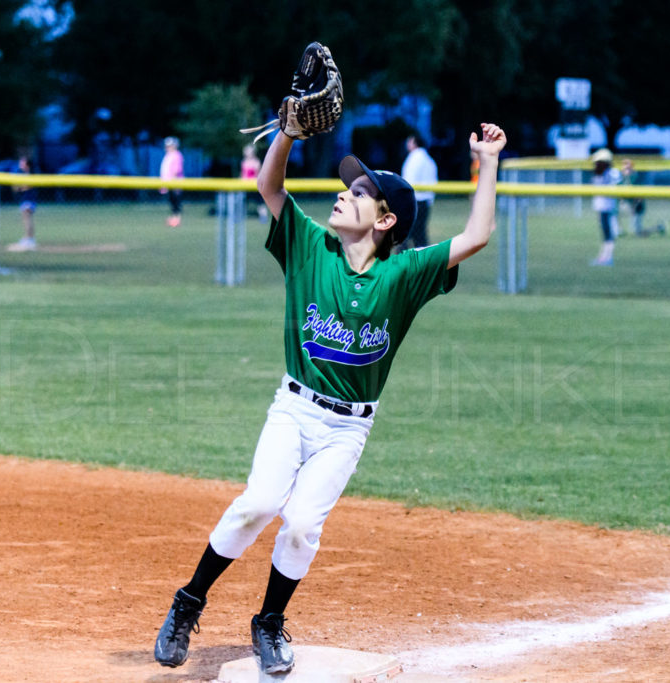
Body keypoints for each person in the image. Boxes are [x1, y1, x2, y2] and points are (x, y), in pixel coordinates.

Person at [153, 121, 506, 675]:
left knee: (301, 524)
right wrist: (288, 135)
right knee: (259, 503)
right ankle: (187, 603)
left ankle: (268, 623)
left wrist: (487, 161)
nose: (345, 193)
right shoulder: (311, 246)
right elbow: (271, 187)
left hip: (347, 429)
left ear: (386, 221)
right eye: (348, 186)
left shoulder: (406, 273)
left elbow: (477, 235)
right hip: (294, 409)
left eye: (361, 192)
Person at [398, 134, 438, 251]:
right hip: (425, 202)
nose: (407, 144)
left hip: (414, 201)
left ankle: (400, 261)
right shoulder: (428, 159)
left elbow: (408, 179)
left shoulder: (414, 158)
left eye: (409, 142)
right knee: (420, 235)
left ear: (415, 143)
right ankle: (424, 260)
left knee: (403, 233)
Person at [590, 148, 621, 266]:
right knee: (605, 233)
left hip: (607, 207)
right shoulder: (599, 174)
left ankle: (607, 257)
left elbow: (615, 187)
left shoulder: (611, 173)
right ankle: (604, 256)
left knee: (608, 233)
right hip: (601, 207)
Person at [620, 159, 665, 238]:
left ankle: (658, 228)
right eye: (624, 167)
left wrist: (634, 206)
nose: (625, 170)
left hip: (637, 207)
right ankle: (617, 230)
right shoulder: (624, 179)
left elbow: (639, 197)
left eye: (628, 168)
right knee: (615, 212)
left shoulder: (635, 178)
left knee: (637, 232)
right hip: (630, 205)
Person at [7, 155, 38, 252]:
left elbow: (27, 187)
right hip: (24, 199)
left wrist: (19, 186)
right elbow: (16, 189)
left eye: (22, 162)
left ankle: (29, 239)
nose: (20, 164)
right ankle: (28, 238)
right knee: (26, 219)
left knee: (27, 219)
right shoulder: (22, 174)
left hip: (29, 200)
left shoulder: (30, 174)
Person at [160, 136, 184, 227]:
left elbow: (176, 170)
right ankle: (174, 218)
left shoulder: (177, 155)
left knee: (176, 202)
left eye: (170, 146)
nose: (167, 147)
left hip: (174, 183)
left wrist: (173, 183)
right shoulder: (168, 156)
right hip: (168, 184)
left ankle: (176, 219)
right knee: (172, 202)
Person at [241, 143, 268, 222]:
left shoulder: (256, 162)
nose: (246, 152)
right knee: (243, 201)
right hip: (246, 186)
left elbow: (258, 174)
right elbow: (243, 174)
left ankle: (263, 216)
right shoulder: (244, 162)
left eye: (247, 151)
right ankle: (240, 216)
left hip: (254, 185)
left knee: (260, 202)